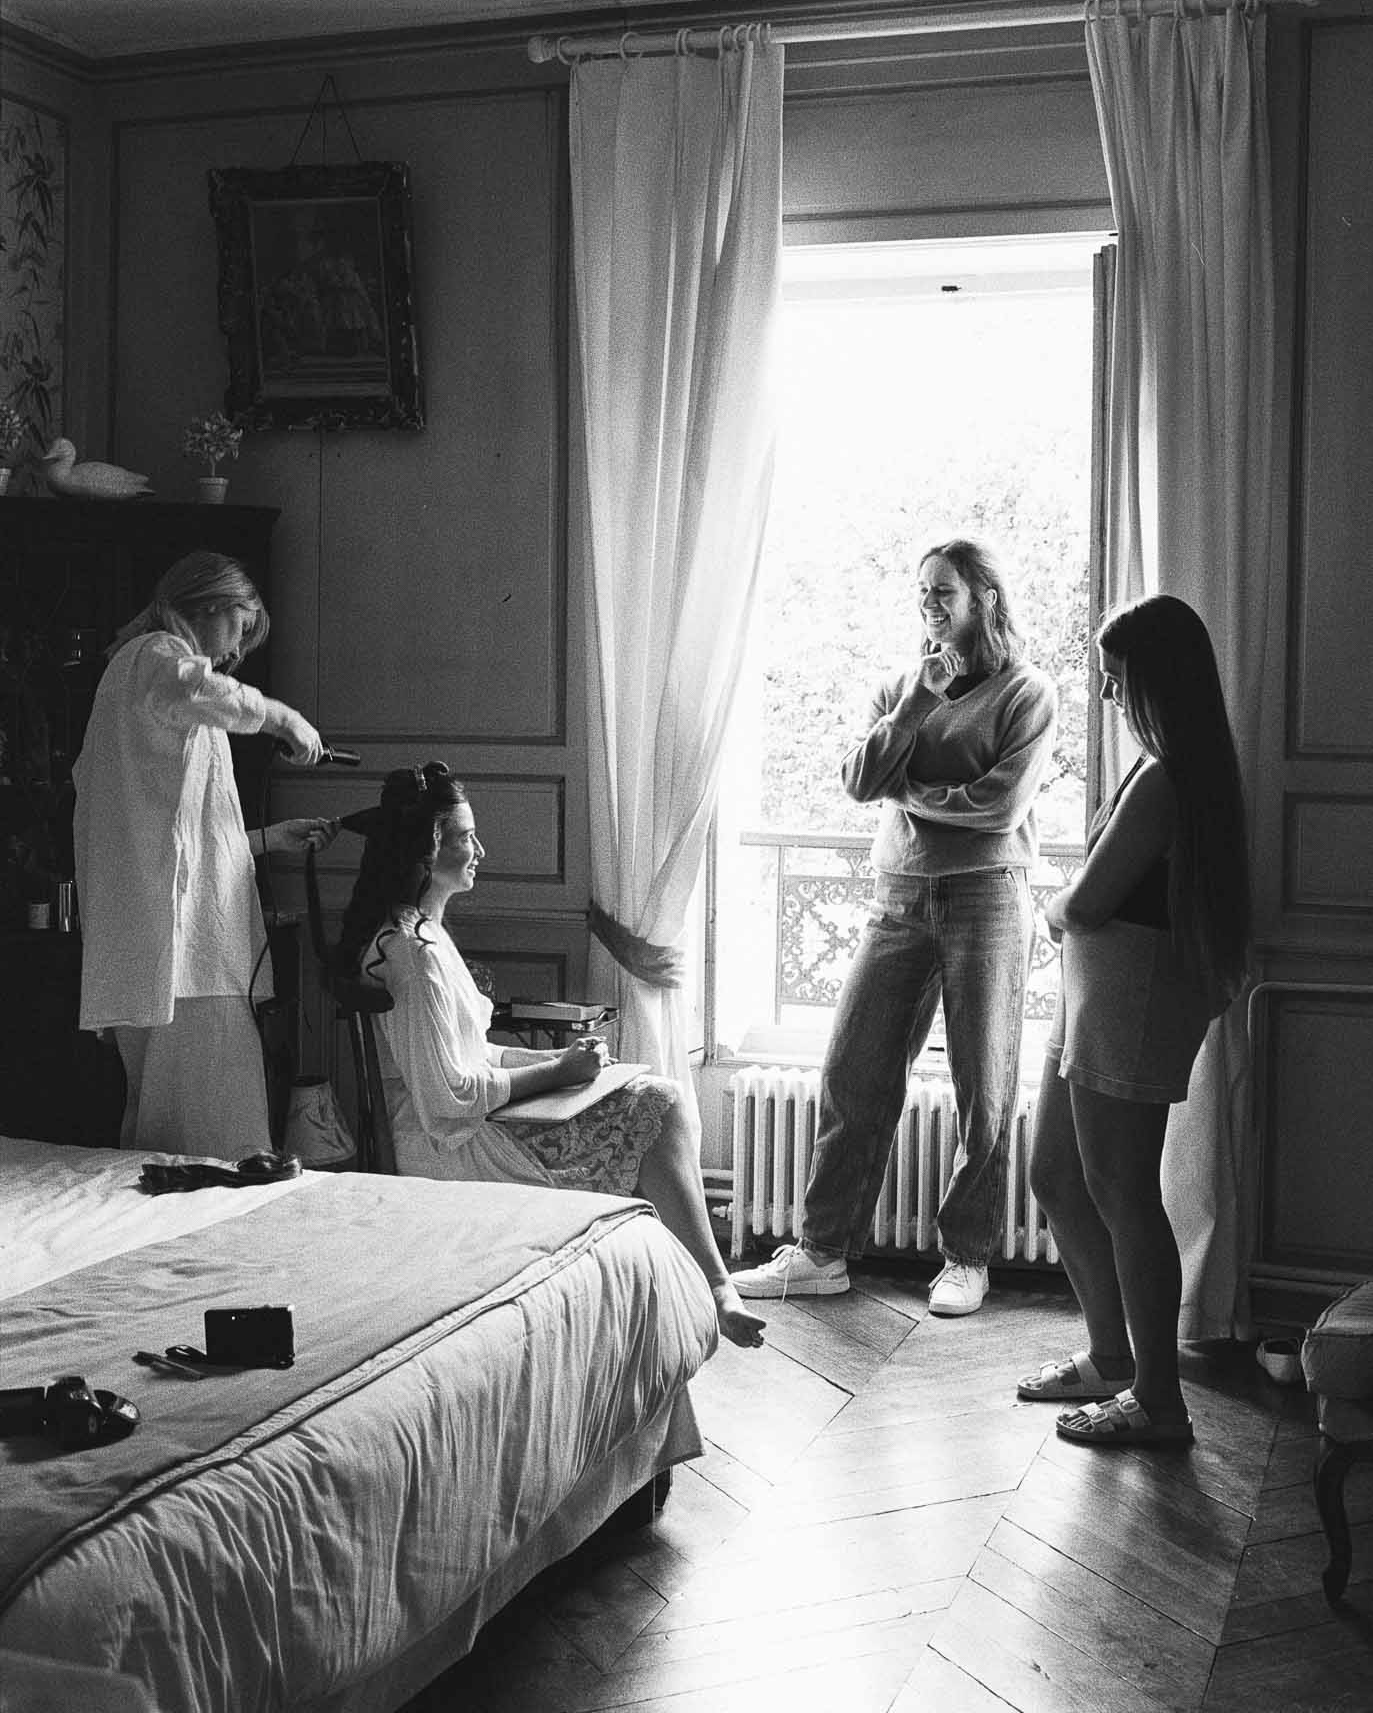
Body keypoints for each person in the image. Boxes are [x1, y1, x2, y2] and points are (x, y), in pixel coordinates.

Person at [334, 763, 765, 1350]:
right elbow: (448, 1097)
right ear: (423, 853)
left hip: (469, 1123)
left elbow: (473, 1053)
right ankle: (708, 1290)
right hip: (449, 1144)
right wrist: (559, 1073)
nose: (479, 849)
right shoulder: (412, 954)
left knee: (654, 1097)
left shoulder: (423, 933)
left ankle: (699, 1290)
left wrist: (565, 1061)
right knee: (658, 1105)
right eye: (464, 838)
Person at [734, 538, 1057, 1316]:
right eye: (920, 592)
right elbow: (854, 780)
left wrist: (902, 789)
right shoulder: (899, 685)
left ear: (982, 596)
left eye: (942, 591)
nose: (928, 604)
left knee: (985, 1085)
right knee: (852, 1072)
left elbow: (998, 808)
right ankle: (821, 1252)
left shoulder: (1026, 691)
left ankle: (966, 1258)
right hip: (897, 897)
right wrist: (913, 706)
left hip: (986, 895)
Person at [1016, 594, 1250, 1448]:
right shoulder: (1163, 765)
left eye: (1119, 684)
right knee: (1055, 1173)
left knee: (1121, 1191)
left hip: (1129, 998)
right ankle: (1111, 1357)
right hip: (1099, 994)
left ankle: (1157, 1398)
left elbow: (1087, 902)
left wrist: (1053, 908)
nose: (1110, 700)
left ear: (1158, 684)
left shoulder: (1164, 778)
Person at [73, 551, 338, 1158]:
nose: (234, 654)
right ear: (213, 605)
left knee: (172, 1139)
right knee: (217, 1142)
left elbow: (177, 842)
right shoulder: (156, 658)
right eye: (239, 631)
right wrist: (284, 719)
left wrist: (270, 839)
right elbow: (200, 688)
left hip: (173, 952)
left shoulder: (144, 681)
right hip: (184, 963)